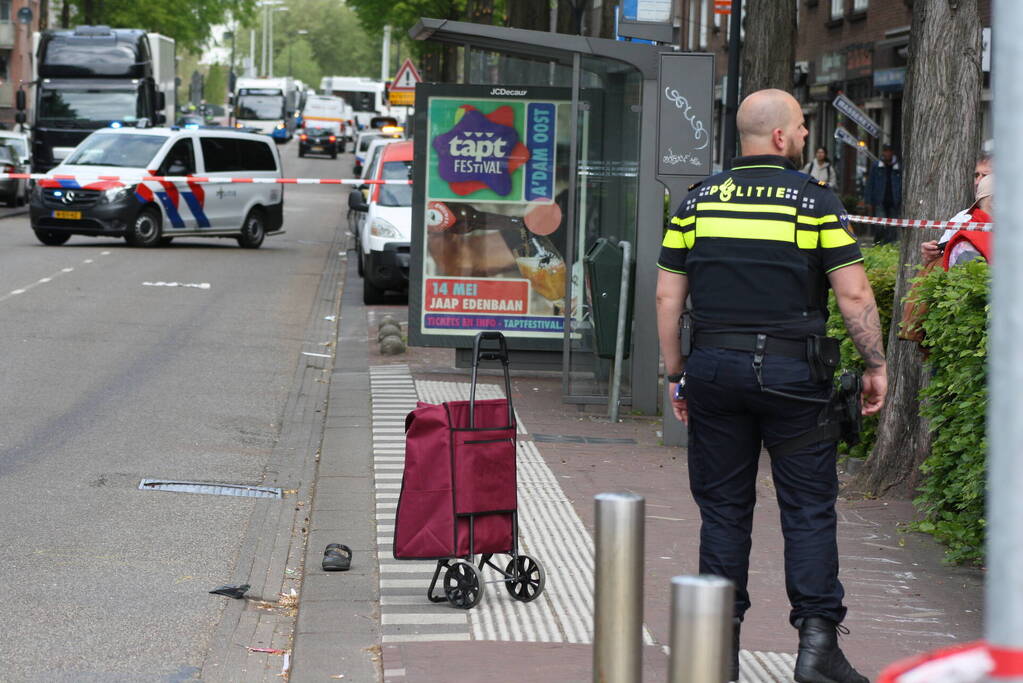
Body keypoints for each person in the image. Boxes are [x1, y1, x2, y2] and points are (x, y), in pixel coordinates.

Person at [656, 88, 887, 683]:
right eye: (804, 126)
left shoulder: (697, 202)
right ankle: (816, 649)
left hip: (712, 370)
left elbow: (667, 295)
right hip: (792, 376)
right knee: (808, 508)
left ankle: (717, 654)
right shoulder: (813, 203)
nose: (808, 135)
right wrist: (875, 366)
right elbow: (855, 293)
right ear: (781, 138)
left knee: (724, 511)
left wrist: (676, 373)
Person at [920, 152, 993, 265]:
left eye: (985, 176)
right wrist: (931, 255)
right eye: (976, 175)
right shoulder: (961, 218)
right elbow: (941, 261)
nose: (978, 182)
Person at [864, 144, 902, 244]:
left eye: (889, 151)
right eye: (885, 151)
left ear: (892, 152)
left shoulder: (898, 167)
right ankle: (878, 243)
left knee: (892, 227)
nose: (887, 153)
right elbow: (870, 183)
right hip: (880, 200)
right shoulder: (876, 166)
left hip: (894, 201)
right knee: (880, 225)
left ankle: (890, 245)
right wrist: (868, 201)